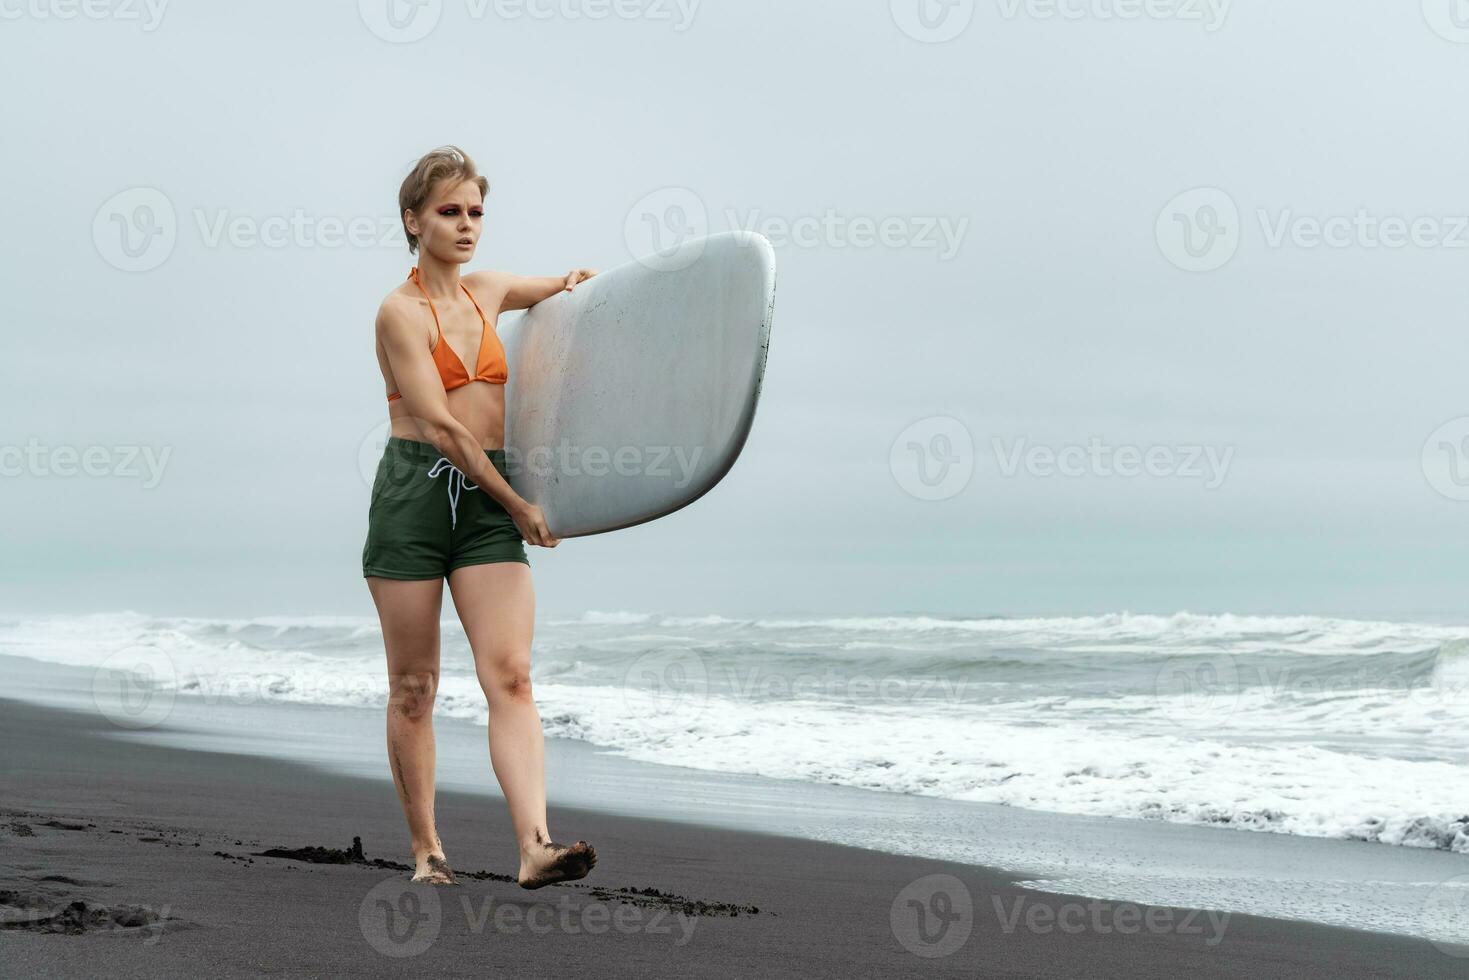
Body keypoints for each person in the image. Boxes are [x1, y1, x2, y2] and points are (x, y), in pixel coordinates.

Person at [362, 145, 598, 888]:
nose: (467, 226)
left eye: (475, 212)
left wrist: (578, 286)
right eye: (449, 212)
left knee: (512, 675)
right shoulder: (399, 314)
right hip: (416, 498)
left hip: (488, 503)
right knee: (414, 686)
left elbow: (563, 290)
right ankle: (426, 848)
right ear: (412, 220)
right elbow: (442, 430)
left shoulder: (488, 291)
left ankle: (534, 846)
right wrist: (520, 502)